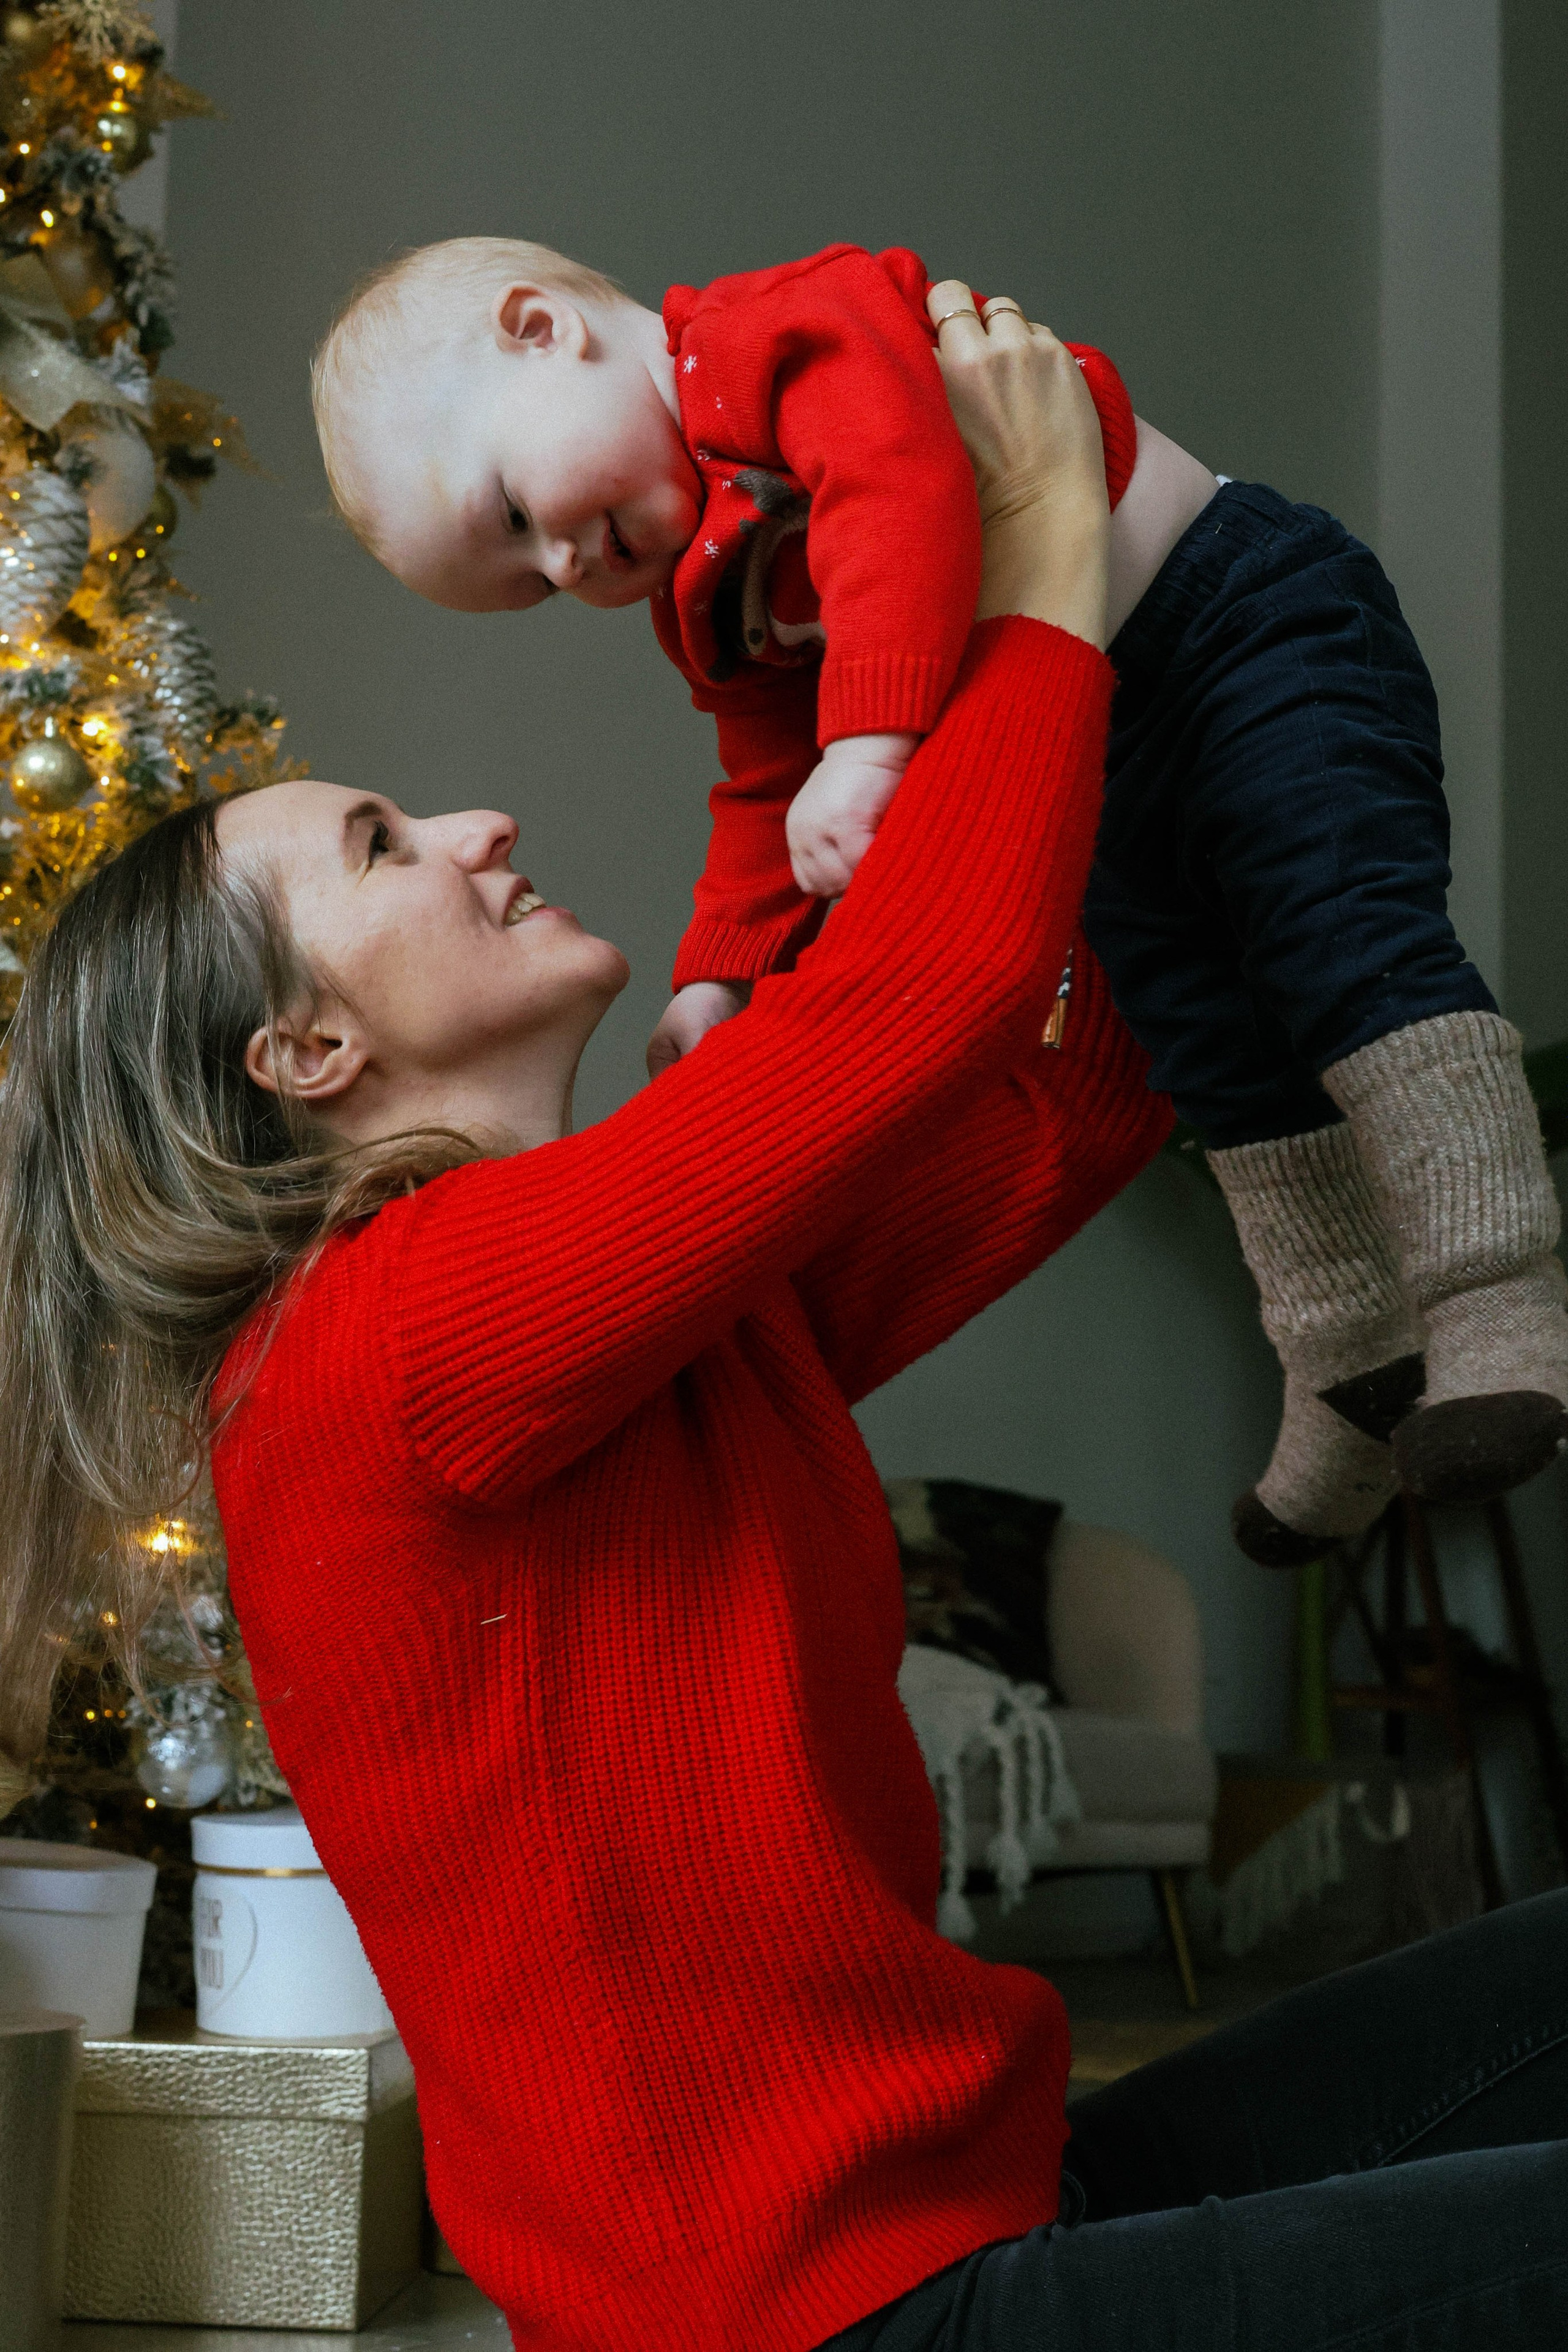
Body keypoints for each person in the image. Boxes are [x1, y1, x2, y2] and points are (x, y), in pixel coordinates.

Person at [0, 287, 1562, 2352]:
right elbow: (921, 1008)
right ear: (297, 1050)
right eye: (381, 844)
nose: (478, 827)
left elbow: (1066, 1091)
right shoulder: (394, 1340)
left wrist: (1217, 705)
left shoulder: (610, 1301)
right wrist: (1036, 574)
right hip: (816, 2322)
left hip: (967, 2203)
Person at [310, 232, 1568, 1563]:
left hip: (1238, 629)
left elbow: (899, 498)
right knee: (1209, 1047)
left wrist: (866, 744)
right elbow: (755, 780)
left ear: (541, 329)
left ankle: (1497, 1301)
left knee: (1345, 949)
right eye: (525, 584)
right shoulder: (704, 590)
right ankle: (1346, 1363)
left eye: (517, 515)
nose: (561, 567)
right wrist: (716, 975)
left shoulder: (778, 336)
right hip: (1106, 732)